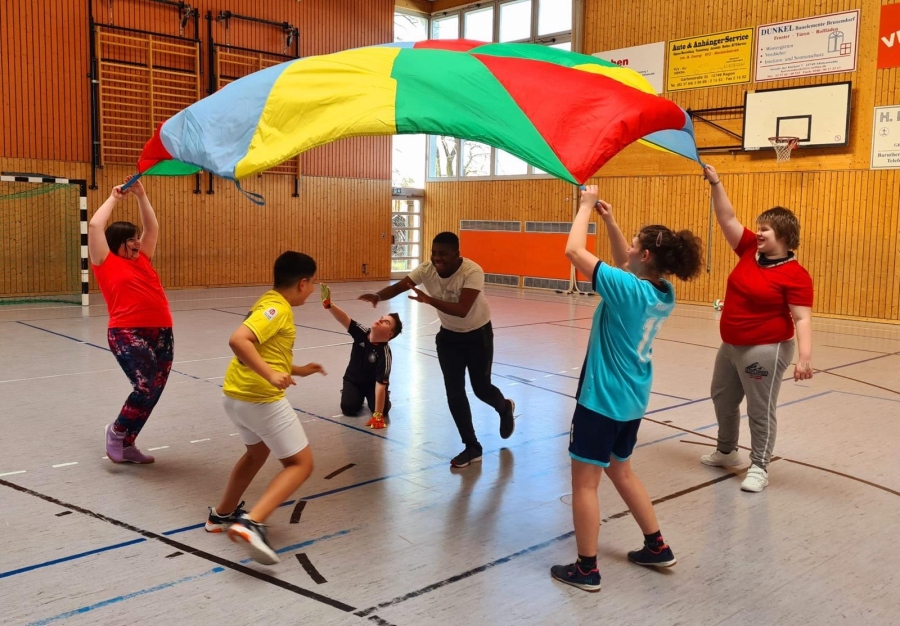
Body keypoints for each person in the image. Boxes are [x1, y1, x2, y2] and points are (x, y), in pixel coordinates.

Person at [550, 185, 703, 593]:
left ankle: (586, 569)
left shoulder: (628, 290)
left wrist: (583, 208)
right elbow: (624, 263)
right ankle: (656, 545)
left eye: (635, 244)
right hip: (632, 400)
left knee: (584, 483)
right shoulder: (661, 292)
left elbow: (574, 252)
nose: (629, 249)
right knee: (621, 469)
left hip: (602, 399)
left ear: (646, 255)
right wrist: (612, 223)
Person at [205, 251, 326, 565]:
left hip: (235, 396)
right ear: (302, 283)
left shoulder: (268, 300)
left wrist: (297, 369)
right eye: (313, 283)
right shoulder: (276, 308)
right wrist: (272, 374)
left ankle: (222, 515)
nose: (313, 289)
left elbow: (264, 348)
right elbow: (239, 340)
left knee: (256, 454)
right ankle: (253, 523)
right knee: (301, 464)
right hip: (258, 398)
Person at [700, 165, 814, 493]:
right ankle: (726, 450)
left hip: (765, 347)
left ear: (785, 237)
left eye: (766, 229)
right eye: (759, 227)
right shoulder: (750, 250)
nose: (759, 233)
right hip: (731, 344)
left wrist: (804, 357)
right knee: (722, 398)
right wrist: (717, 182)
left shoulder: (795, 275)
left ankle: (760, 466)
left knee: (760, 408)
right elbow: (727, 218)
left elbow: (802, 318)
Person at [359, 232, 515, 468]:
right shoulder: (426, 269)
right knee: (454, 392)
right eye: (434, 253)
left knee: (481, 388)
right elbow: (403, 285)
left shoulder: (472, 272)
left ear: (456, 254)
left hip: (477, 335)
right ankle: (472, 446)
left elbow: (462, 309)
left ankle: (504, 407)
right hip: (449, 338)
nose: (437, 258)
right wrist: (379, 295)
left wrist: (428, 300)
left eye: (443, 253)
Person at [88, 179, 173, 464]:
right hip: (126, 330)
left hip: (161, 331)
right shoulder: (105, 260)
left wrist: (141, 196)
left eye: (138, 238)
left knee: (155, 391)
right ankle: (116, 431)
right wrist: (113, 198)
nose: (138, 242)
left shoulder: (143, 258)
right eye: (131, 239)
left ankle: (128, 444)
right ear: (117, 242)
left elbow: (153, 228)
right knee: (145, 386)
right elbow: (95, 227)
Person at [320, 283, 402, 429]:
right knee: (348, 408)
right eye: (381, 317)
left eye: (386, 322)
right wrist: (329, 305)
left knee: (383, 411)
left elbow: (380, 385)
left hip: (373, 385)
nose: (380, 320)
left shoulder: (385, 354)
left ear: (389, 334)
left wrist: (377, 415)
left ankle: (384, 401)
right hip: (353, 380)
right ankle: (348, 391)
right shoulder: (362, 333)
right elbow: (344, 319)